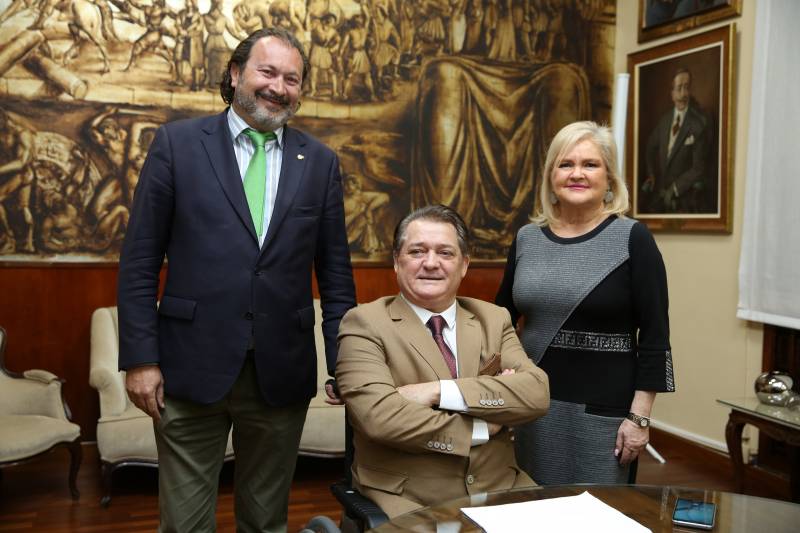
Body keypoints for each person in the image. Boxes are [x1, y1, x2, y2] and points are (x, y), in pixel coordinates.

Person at [117, 27, 356, 532]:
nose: (279, 87)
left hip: (281, 372)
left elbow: (335, 277)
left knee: (266, 523)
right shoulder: (177, 144)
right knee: (183, 525)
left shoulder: (319, 163)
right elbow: (139, 262)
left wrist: (344, 362)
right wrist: (140, 359)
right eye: (267, 72)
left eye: (292, 79)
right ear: (235, 73)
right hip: (188, 367)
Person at [336, 204, 550, 518]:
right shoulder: (363, 323)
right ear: (397, 261)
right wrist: (482, 426)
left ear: (464, 264)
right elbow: (379, 417)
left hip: (502, 488)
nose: (431, 263)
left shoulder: (492, 318)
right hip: (411, 497)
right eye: (417, 251)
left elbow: (536, 393)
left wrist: (438, 391)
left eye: (445, 253)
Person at [496, 121, 674, 485]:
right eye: (565, 164)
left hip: (605, 413)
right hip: (535, 406)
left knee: (597, 515)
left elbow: (656, 336)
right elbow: (499, 320)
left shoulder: (632, 239)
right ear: (550, 176)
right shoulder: (527, 238)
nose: (577, 173)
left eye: (590, 164)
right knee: (533, 509)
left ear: (609, 177)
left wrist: (640, 418)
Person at [643, 67, 713, 213]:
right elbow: (650, 147)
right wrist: (651, 174)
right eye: (679, 88)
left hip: (685, 197)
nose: (683, 94)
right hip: (660, 194)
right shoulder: (664, 121)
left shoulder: (699, 123)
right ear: (672, 93)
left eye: (686, 87)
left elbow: (698, 168)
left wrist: (675, 189)